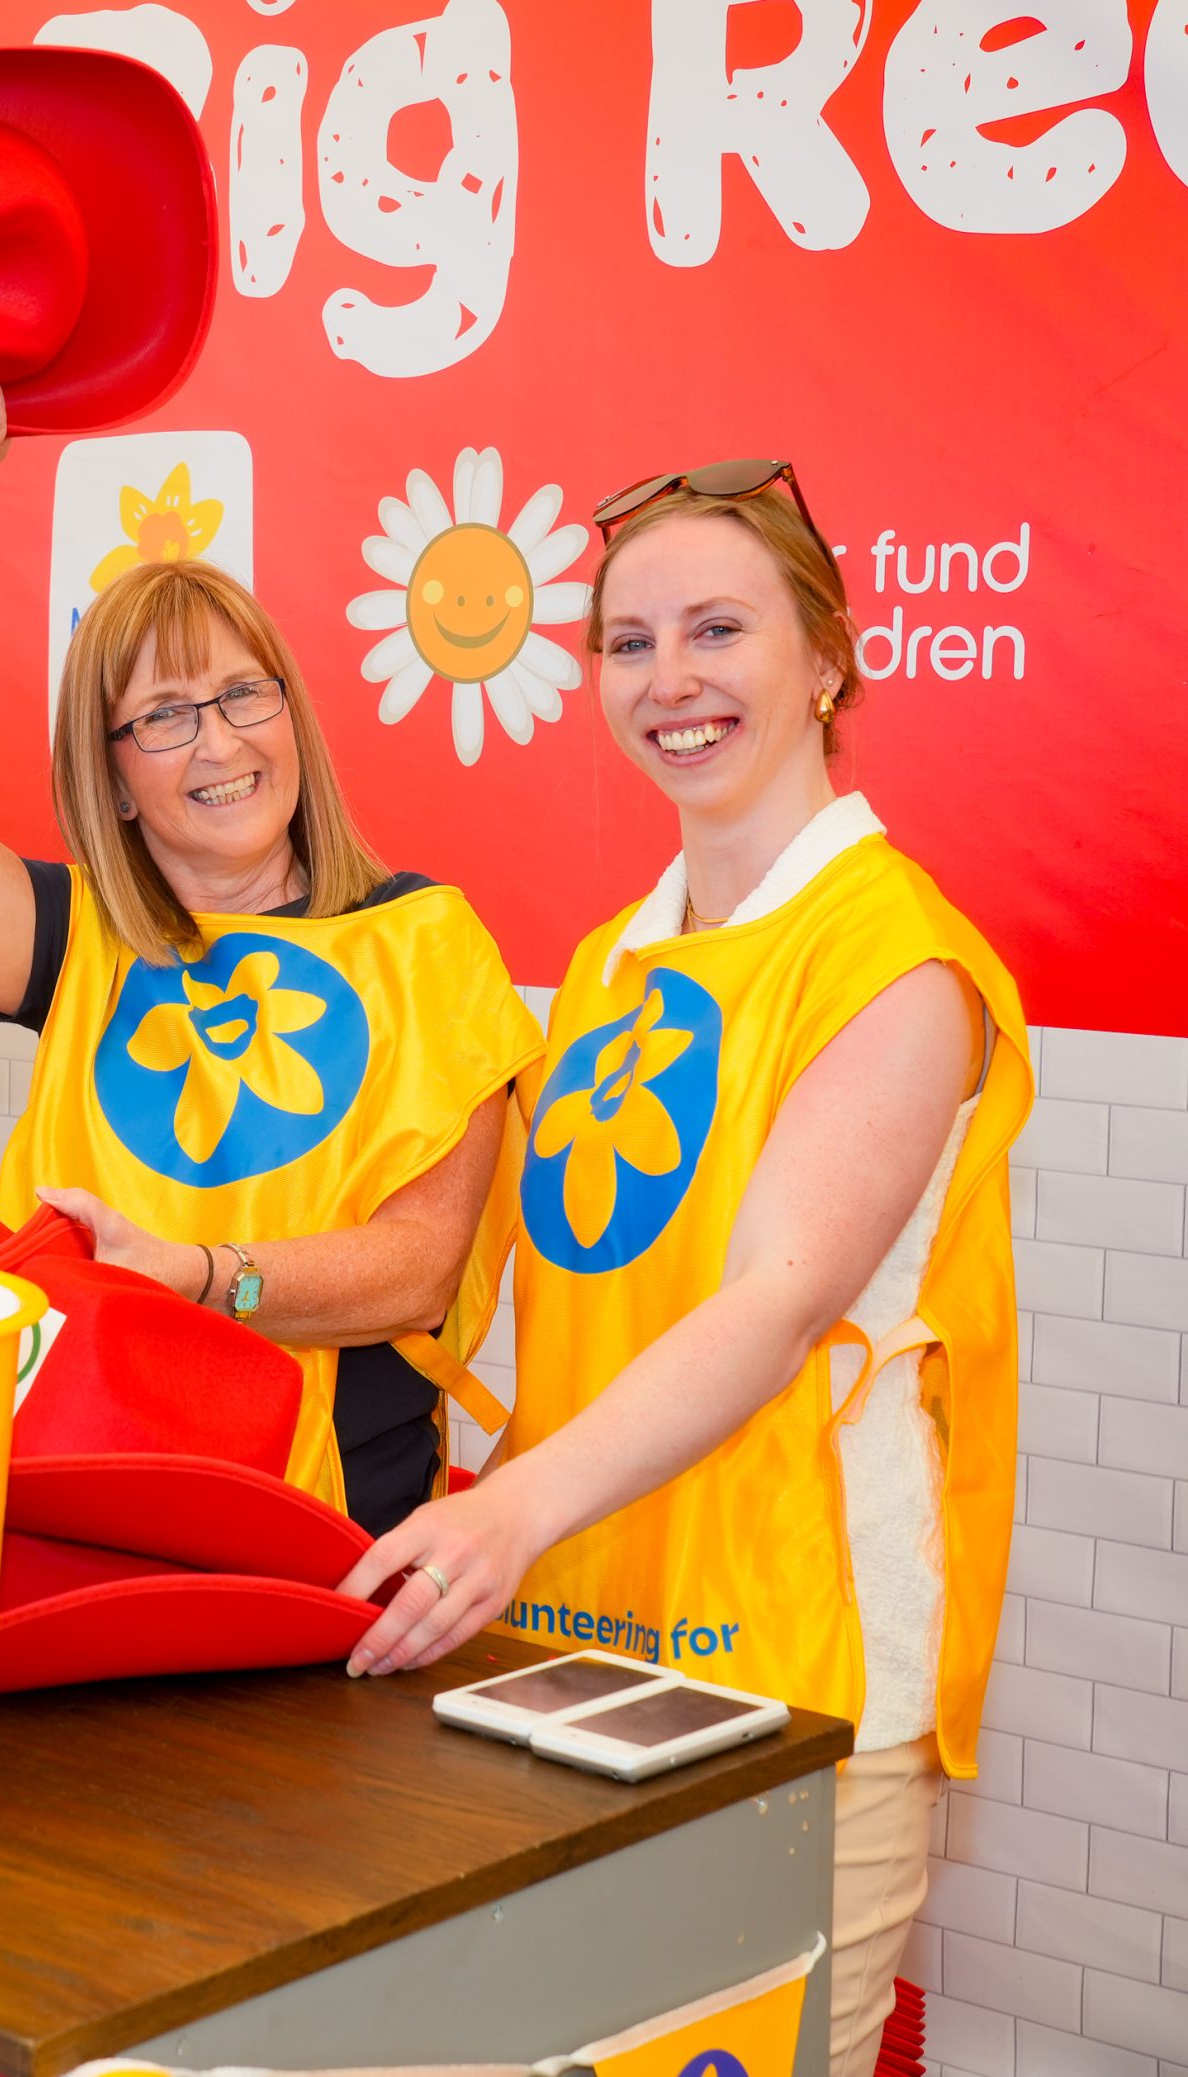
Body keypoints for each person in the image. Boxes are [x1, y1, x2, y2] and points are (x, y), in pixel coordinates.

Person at [336, 462, 1029, 2076]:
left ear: (828, 658)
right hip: (583, 1628)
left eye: (719, 628)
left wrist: (500, 1515)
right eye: (627, 641)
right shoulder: (613, 957)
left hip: (795, 1654)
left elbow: (772, 1307)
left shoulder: (895, 962)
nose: (671, 679)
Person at [0, 385, 540, 1536]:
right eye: (162, 715)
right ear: (111, 775)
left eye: (241, 694)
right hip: (79, 1496)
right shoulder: (82, 945)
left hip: (336, 1532)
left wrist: (202, 1277)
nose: (218, 740)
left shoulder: (425, 939)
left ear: (290, 715)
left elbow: (415, 1268)